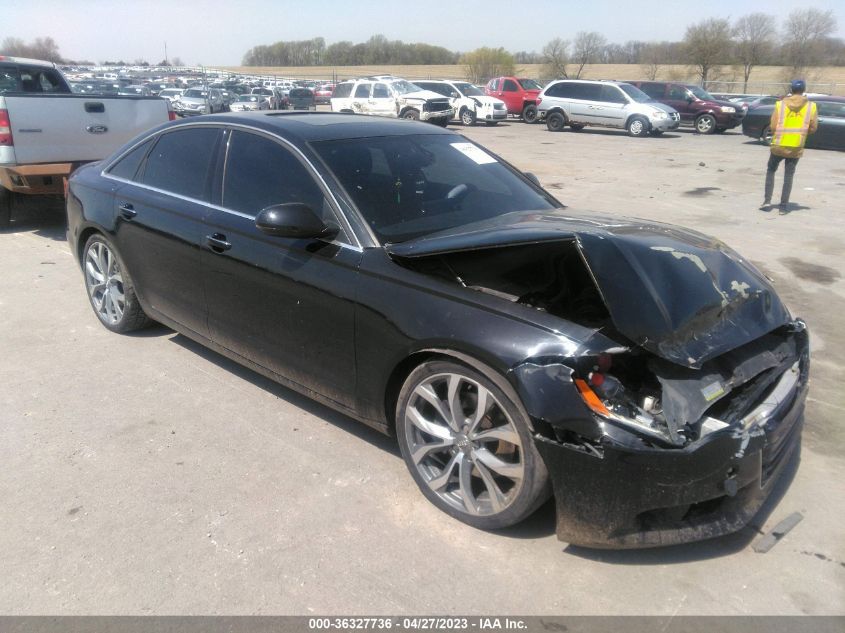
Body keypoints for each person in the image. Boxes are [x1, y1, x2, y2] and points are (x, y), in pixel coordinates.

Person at [760, 79, 818, 211]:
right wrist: (802, 133)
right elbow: (813, 128)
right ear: (803, 90)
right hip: (796, 146)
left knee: (771, 171)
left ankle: (767, 201)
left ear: (791, 90)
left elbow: (773, 125)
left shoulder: (780, 105)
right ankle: (783, 205)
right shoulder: (811, 106)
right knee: (788, 175)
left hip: (778, 145)